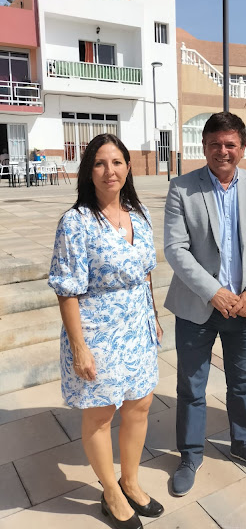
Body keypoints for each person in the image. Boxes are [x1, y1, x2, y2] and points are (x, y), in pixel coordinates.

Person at [48, 134, 164, 529]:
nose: (109, 171)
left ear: (128, 167)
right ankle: (110, 492)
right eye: (99, 163)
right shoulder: (76, 222)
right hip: (98, 332)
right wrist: (79, 347)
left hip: (138, 327)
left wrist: (153, 315)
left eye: (116, 162)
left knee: (140, 405)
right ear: (88, 171)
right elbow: (67, 289)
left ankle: (130, 481)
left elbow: (146, 272)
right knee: (100, 414)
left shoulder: (140, 215)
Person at [164, 111, 246, 496]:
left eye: (230, 144)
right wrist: (213, 291)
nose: (223, 151)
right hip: (198, 306)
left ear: (242, 148)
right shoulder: (182, 188)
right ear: (203, 146)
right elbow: (176, 249)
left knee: (242, 382)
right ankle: (190, 455)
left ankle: (244, 443)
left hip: (244, 308)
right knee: (191, 386)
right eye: (215, 143)